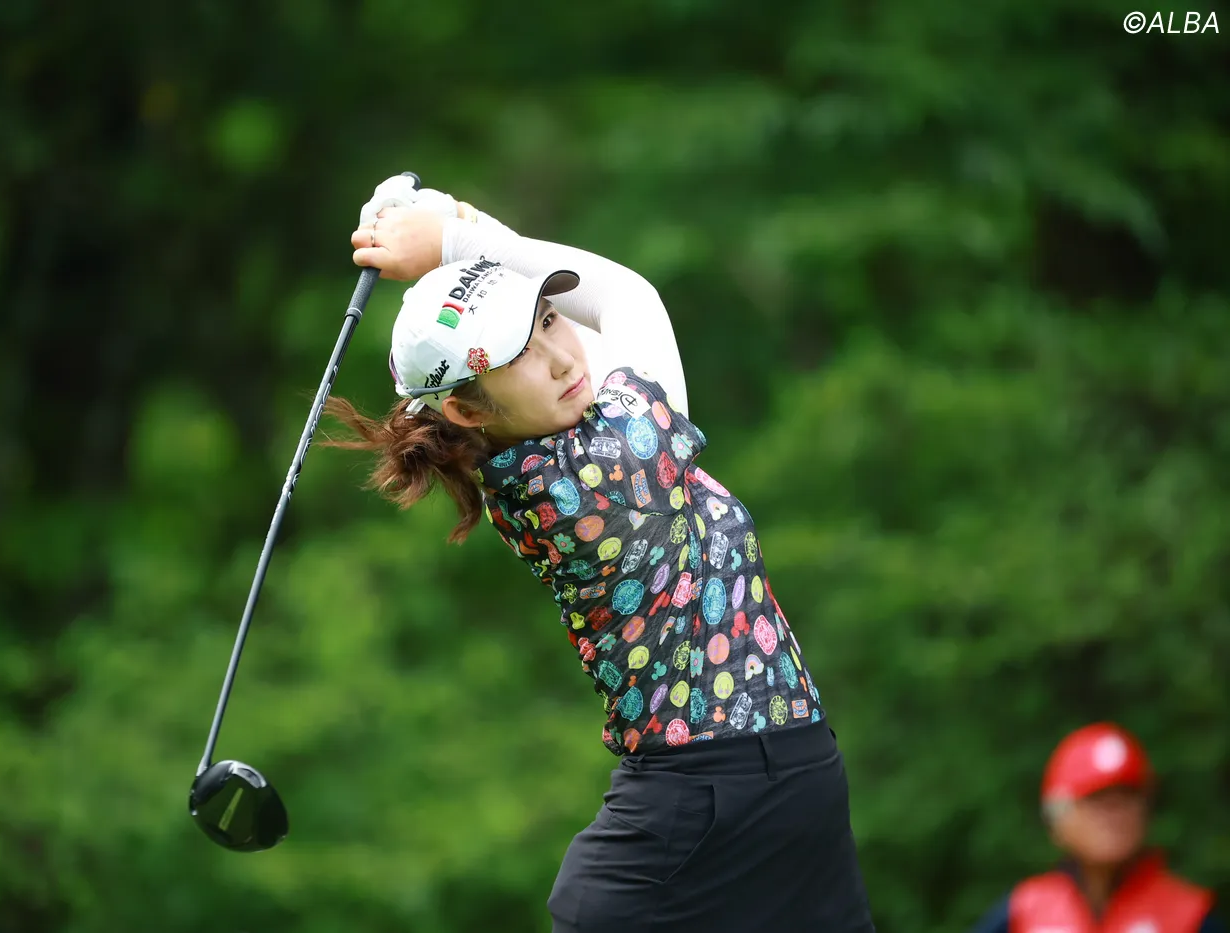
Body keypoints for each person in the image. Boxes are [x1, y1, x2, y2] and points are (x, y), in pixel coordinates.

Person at [325, 175, 875, 932]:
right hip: (700, 808)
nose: (560, 355)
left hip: (786, 786)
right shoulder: (589, 475)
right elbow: (626, 301)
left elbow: (595, 335)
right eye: (522, 351)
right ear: (463, 407)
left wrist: (463, 234)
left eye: (549, 319)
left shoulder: (567, 428)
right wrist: (454, 242)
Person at [969, 722, 1225, 933]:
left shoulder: (1188, 915)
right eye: (1098, 801)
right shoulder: (1023, 912)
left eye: (1127, 798)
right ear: (1058, 818)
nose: (1115, 816)